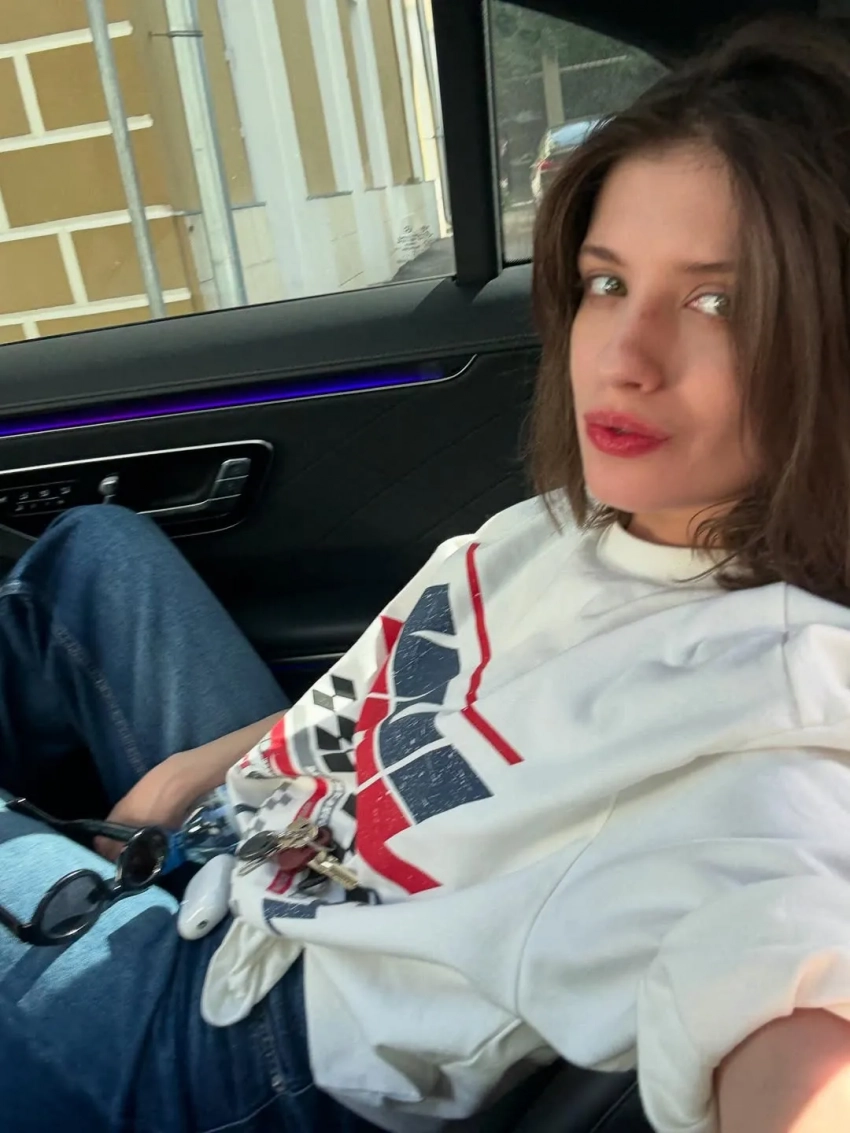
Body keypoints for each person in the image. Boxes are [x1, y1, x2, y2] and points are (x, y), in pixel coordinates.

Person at [5, 14, 850, 1133]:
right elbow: (400, 706)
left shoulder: (777, 716)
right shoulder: (581, 524)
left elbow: (790, 989)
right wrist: (182, 777)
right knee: (93, 553)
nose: (623, 356)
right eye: (606, 282)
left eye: (716, 301)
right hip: (269, 841)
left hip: (236, 1043)